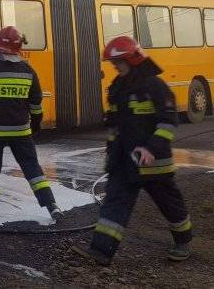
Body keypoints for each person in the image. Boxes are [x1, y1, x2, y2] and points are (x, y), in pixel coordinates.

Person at [73, 36, 192, 265]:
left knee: (170, 204)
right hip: (125, 163)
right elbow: (114, 126)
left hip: (153, 164)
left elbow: (168, 122)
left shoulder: (155, 86)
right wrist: (111, 154)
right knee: (115, 203)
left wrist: (151, 148)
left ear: (132, 59)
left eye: (118, 62)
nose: (114, 67)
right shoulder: (118, 87)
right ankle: (101, 252)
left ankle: (183, 241)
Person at [0, 26, 63, 220]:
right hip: (21, 132)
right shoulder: (28, 71)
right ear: (19, 48)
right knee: (32, 168)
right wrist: (36, 124)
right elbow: (36, 103)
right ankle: (51, 205)